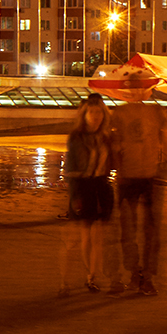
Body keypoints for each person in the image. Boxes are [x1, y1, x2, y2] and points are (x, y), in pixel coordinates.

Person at [108, 94, 167, 295]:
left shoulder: (156, 111)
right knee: (128, 230)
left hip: (150, 176)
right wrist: (119, 171)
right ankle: (135, 273)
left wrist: (163, 169)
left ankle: (148, 277)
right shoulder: (120, 112)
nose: (135, 90)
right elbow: (114, 143)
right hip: (128, 177)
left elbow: (165, 141)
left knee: (151, 231)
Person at [61, 94, 114, 294]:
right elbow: (70, 168)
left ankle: (92, 277)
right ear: (84, 115)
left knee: (98, 237)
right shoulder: (76, 137)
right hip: (83, 186)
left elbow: (111, 163)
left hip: (101, 187)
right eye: (91, 112)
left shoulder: (106, 137)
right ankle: (85, 274)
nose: (95, 116)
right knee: (85, 236)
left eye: (99, 112)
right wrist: (75, 195)